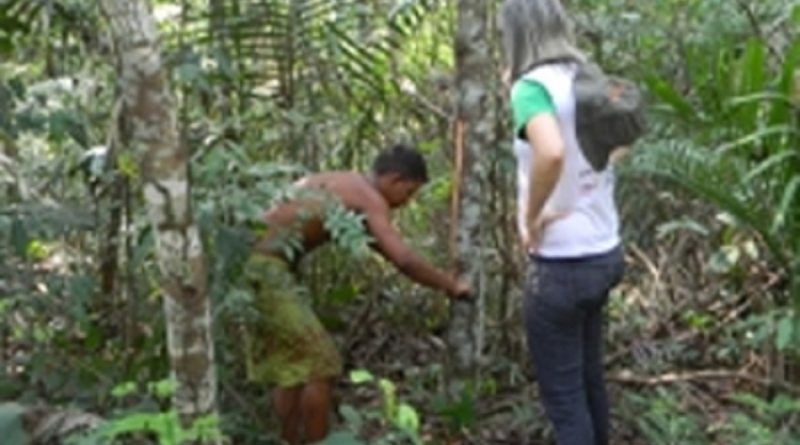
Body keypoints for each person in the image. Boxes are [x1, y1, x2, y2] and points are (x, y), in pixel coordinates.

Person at [243, 143, 471, 444]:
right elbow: (404, 260)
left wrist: (437, 276)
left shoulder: (345, 183)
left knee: (292, 368)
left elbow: (385, 250)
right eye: (409, 193)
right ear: (395, 180)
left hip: (248, 264)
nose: (406, 202)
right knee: (321, 364)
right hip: (266, 268)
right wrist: (452, 286)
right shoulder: (368, 197)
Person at [500, 1, 626, 444]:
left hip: (562, 263)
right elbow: (624, 139)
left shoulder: (530, 88)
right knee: (589, 380)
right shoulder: (589, 78)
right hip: (605, 251)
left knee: (565, 398)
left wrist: (531, 218)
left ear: (514, 35)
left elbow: (550, 151)